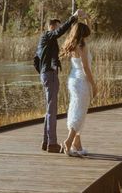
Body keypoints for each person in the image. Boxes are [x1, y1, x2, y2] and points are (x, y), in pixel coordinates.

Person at [35, 9, 85, 153]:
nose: (58, 29)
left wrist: (42, 72)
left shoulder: (44, 41)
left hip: (46, 74)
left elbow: (35, 60)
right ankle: (52, 143)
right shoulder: (48, 35)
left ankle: (46, 142)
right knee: (52, 110)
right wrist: (73, 18)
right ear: (52, 26)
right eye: (57, 26)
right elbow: (59, 32)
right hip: (50, 75)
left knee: (49, 109)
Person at [59, 17, 97, 156]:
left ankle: (77, 144)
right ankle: (68, 141)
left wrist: (87, 18)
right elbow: (86, 68)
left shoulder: (73, 44)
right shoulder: (83, 46)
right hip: (82, 81)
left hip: (73, 80)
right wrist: (94, 85)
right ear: (82, 34)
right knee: (80, 113)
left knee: (74, 109)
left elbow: (86, 29)